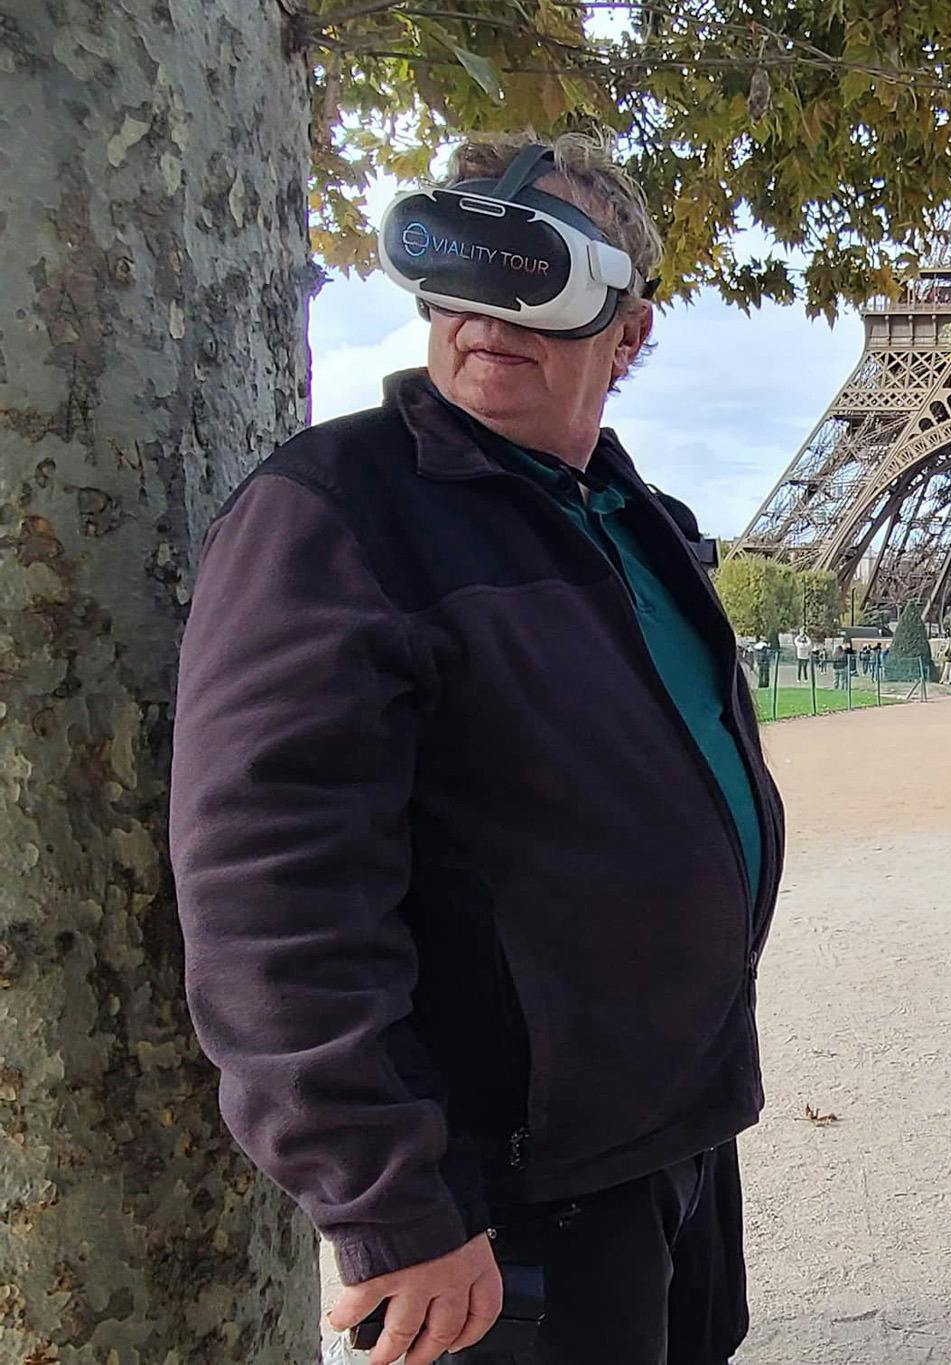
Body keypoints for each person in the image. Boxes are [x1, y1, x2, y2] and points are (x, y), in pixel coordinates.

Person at [170, 133, 776, 1365]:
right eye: (457, 273)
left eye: (535, 278)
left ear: (629, 331)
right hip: (494, 1199)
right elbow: (266, 885)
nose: (485, 316)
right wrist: (390, 1201)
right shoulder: (332, 512)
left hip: (666, 1149)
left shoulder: (629, 517)